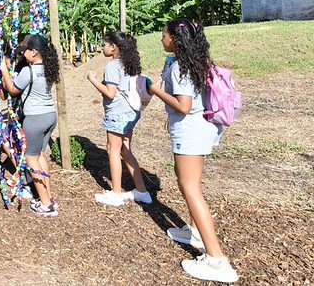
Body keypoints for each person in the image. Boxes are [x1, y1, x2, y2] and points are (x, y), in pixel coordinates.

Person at [148, 19, 238, 283]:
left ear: (175, 39)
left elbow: (183, 105)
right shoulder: (196, 62)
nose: (161, 39)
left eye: (164, 34)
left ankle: (216, 261)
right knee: (186, 181)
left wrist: (153, 89)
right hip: (200, 129)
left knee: (190, 188)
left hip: (190, 131)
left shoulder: (180, 67)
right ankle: (195, 233)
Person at [86, 31, 153, 206]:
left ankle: (116, 193)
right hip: (131, 111)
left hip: (117, 113)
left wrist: (92, 79)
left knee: (112, 150)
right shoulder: (130, 63)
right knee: (125, 149)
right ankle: (142, 191)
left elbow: (110, 92)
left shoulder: (112, 66)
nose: (102, 47)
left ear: (114, 47)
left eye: (105, 44)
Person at [0, 34, 59, 217]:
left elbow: (12, 89)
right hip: (50, 115)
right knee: (39, 156)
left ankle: (46, 204)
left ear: (34, 52)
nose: (23, 54)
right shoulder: (48, 69)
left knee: (30, 158)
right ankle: (48, 196)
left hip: (35, 118)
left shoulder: (29, 71)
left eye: (25, 51)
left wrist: (4, 70)